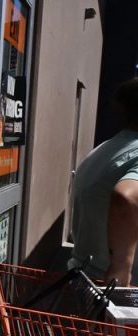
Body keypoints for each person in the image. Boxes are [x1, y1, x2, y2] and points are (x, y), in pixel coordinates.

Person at [69, 78, 138, 285]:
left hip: (86, 276)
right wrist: (121, 268)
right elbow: (125, 199)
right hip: (115, 288)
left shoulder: (104, 149)